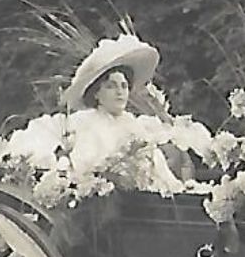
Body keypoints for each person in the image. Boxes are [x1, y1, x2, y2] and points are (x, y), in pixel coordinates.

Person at [61, 34, 188, 194]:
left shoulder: (134, 124)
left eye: (124, 86)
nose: (120, 92)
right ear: (96, 93)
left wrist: (175, 186)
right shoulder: (86, 123)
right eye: (111, 86)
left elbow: (157, 166)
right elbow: (85, 171)